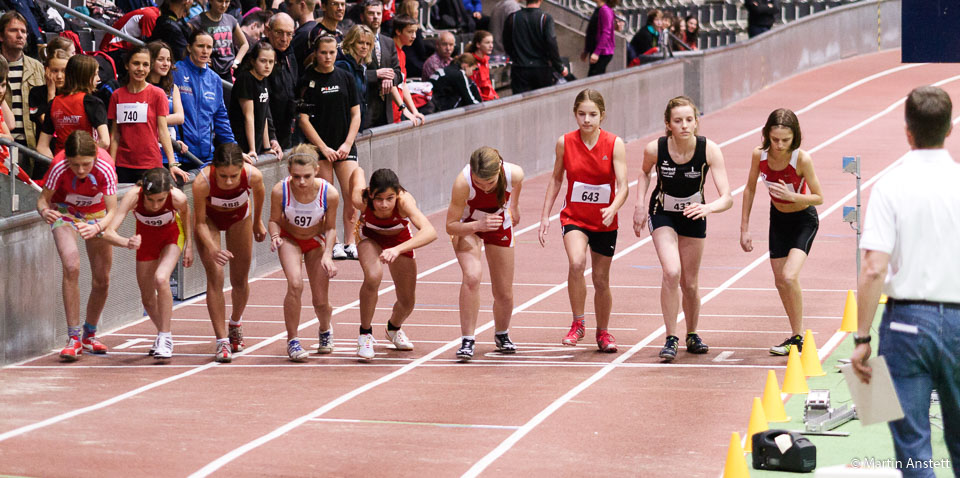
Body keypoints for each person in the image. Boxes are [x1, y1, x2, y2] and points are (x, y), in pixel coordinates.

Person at [851, 86, 960, 477]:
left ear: (907, 131)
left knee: (913, 449)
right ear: (949, 129)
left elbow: (873, 268)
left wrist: (862, 338)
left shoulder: (890, 186)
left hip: (906, 325)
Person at [633, 96, 732, 362]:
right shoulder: (655, 149)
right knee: (672, 271)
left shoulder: (709, 150)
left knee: (690, 282)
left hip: (694, 214)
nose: (685, 125)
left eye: (690, 120)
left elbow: (728, 197)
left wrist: (708, 208)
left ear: (697, 122)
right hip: (662, 212)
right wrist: (640, 205)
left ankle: (692, 333)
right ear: (668, 124)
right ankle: (670, 337)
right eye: (678, 121)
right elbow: (643, 174)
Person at [539, 89, 627, 352]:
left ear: (602, 116)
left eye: (592, 114)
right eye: (581, 114)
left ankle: (603, 332)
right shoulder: (565, 142)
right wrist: (545, 215)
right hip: (574, 217)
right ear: (574, 114)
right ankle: (578, 323)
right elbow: (556, 179)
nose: (586, 120)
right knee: (577, 263)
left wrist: (613, 206)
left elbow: (623, 185)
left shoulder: (614, 144)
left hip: (604, 219)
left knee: (601, 279)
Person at [740, 108, 823, 355]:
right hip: (778, 219)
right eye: (774, 139)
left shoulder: (802, 159)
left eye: (785, 140)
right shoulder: (759, 155)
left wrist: (792, 195)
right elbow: (749, 189)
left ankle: (799, 337)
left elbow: (819, 197)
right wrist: (744, 228)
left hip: (803, 220)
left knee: (788, 276)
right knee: (779, 281)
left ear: (794, 137)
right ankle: (794, 336)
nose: (779, 145)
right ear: (767, 135)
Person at [36, 131, 119, 362]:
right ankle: (73, 338)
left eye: (85, 164)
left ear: (94, 157)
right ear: (67, 160)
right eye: (75, 165)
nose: (80, 170)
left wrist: (97, 227)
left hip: (97, 214)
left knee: (102, 279)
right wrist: (45, 211)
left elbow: (113, 211)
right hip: (65, 211)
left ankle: (89, 334)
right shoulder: (58, 165)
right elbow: (43, 199)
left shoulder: (105, 165)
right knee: (71, 265)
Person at [101, 167, 194, 360]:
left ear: (168, 192)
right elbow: (108, 233)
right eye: (150, 200)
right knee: (147, 297)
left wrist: (189, 246)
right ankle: (162, 332)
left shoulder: (178, 198)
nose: (155, 205)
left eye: (160, 200)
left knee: (161, 279)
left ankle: (166, 337)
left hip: (172, 237)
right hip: (145, 241)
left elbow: (185, 217)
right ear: (144, 192)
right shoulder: (133, 196)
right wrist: (126, 242)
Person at [349, 166, 437, 359]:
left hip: (398, 240)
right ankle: (365, 334)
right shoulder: (360, 200)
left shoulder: (405, 202)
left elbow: (430, 231)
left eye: (389, 199)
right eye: (379, 199)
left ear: (397, 194)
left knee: (407, 301)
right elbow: (356, 172)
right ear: (370, 195)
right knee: (373, 276)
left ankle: (393, 329)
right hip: (369, 237)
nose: (384, 205)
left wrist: (397, 249)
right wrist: (350, 207)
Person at [445, 146, 523, 361]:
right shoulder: (463, 183)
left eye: (489, 183)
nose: (485, 188)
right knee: (472, 276)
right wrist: (478, 225)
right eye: (479, 183)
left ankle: (502, 334)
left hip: (499, 224)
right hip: (468, 227)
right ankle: (467, 340)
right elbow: (450, 226)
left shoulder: (513, 173)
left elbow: (517, 186)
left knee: (504, 291)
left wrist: (514, 206)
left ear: (499, 169)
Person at [192, 142, 267, 362]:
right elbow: (199, 223)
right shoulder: (202, 182)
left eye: (234, 176)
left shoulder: (253, 176)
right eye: (223, 176)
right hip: (210, 221)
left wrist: (258, 223)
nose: (228, 182)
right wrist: (213, 248)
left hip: (239, 218)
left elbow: (260, 196)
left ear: (241, 169)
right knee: (215, 276)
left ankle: (235, 322)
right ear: (215, 168)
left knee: (240, 279)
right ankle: (222, 340)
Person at [267, 144, 339, 361]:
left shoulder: (330, 193)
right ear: (289, 171)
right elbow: (273, 220)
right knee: (295, 284)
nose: (301, 182)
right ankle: (293, 340)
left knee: (320, 300)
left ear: (317, 170)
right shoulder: (281, 190)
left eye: (306, 176)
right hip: (290, 239)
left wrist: (328, 254)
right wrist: (275, 236)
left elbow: (331, 227)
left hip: (316, 241)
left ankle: (325, 329)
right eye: (296, 176)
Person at [298, 35, 362, 260]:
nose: (327, 57)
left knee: (352, 196)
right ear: (316, 53)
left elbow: (356, 113)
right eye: (323, 52)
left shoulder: (345, 77)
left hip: (345, 146)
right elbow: (303, 119)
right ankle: (332, 243)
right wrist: (323, 148)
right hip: (320, 149)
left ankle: (350, 242)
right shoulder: (307, 80)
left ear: (337, 52)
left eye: (332, 52)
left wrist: (347, 143)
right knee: (328, 198)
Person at [108, 46, 181, 184]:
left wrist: (172, 164)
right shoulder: (116, 95)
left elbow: (163, 131)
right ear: (126, 65)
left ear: (150, 67)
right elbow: (115, 133)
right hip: (123, 165)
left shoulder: (158, 94)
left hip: (151, 164)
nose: (140, 68)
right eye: (136, 63)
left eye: (145, 64)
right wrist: (111, 165)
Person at [174, 30, 237, 166]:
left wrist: (233, 149)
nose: (205, 51)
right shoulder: (175, 72)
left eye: (209, 47)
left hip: (207, 157)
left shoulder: (214, 79)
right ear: (189, 47)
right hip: (180, 155)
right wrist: (174, 146)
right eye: (200, 46)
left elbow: (221, 118)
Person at [37, 55, 110, 161]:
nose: (98, 79)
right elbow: (105, 141)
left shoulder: (54, 103)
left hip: (63, 164)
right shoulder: (93, 103)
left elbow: (41, 146)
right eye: (95, 74)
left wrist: (58, 165)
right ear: (85, 76)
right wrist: (83, 162)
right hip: (88, 167)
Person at [228, 40, 282, 161]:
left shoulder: (264, 79)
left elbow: (264, 117)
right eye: (263, 61)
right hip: (241, 143)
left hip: (256, 142)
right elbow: (249, 116)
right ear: (253, 61)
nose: (267, 65)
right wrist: (252, 149)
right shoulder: (246, 79)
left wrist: (267, 147)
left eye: (271, 62)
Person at [0, 11, 44, 153]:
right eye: (13, 30)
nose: (20, 35)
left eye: (23, 31)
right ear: (1, 36)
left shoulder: (37, 67)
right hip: (3, 144)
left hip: (30, 144)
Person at [503, 0, 566, 94]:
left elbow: (506, 42)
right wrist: (559, 67)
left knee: (520, 104)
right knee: (542, 103)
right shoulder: (545, 18)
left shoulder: (513, 17)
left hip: (520, 69)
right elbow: (551, 43)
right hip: (542, 69)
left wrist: (515, 56)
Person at [147, 41, 188, 172]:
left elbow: (180, 117)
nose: (166, 64)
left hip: (169, 152)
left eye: (169, 60)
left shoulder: (172, 88)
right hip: (148, 152)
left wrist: (153, 120)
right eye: (161, 59)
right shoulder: (142, 87)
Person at [360, 0, 401, 129]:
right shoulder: (355, 41)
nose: (375, 16)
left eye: (379, 13)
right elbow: (350, 73)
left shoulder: (388, 42)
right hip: (364, 109)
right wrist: (376, 75)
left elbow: (398, 73)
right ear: (362, 16)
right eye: (371, 13)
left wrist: (391, 78)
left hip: (385, 110)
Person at [188, 0, 249, 82]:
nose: (224, 5)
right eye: (220, 1)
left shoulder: (230, 20)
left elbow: (245, 44)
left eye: (227, 2)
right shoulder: (198, 20)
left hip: (228, 70)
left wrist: (236, 61)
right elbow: (186, 43)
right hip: (208, 68)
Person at [264, 12, 298, 149]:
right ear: (268, 31)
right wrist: (271, 137)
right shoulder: (260, 57)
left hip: (287, 128)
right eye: (279, 32)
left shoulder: (290, 54)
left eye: (289, 34)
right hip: (267, 134)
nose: (284, 39)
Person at [336, 24, 374, 129]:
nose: (364, 47)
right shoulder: (343, 66)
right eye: (360, 42)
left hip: (357, 125)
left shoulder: (361, 67)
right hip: (344, 126)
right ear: (351, 42)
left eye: (368, 43)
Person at [389, 15, 426, 124]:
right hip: (389, 112)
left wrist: (414, 111)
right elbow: (391, 84)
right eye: (410, 32)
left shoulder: (402, 53)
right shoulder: (390, 51)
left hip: (399, 112)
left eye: (415, 32)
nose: (414, 36)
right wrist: (404, 109)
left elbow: (403, 84)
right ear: (398, 31)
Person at [28, 48, 68, 144]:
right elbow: (50, 124)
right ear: (46, 70)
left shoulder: (73, 94)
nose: (59, 76)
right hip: (45, 149)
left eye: (64, 71)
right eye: (55, 71)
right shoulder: (36, 93)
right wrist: (51, 93)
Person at [582, 0, 618, 76]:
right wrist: (586, 50)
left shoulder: (605, 10)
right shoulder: (598, 9)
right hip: (595, 49)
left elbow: (606, 33)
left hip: (603, 52)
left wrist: (597, 52)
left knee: (594, 78)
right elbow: (591, 31)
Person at [466, 30, 498, 102]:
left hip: (488, 99)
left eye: (492, 42)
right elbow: (473, 87)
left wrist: (495, 96)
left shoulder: (486, 60)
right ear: (478, 45)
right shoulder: (471, 62)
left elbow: (488, 83)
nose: (491, 46)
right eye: (487, 43)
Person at [288, 0, 319, 69]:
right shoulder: (317, 29)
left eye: (291, 5)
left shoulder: (303, 34)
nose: (288, 8)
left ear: (302, 5)